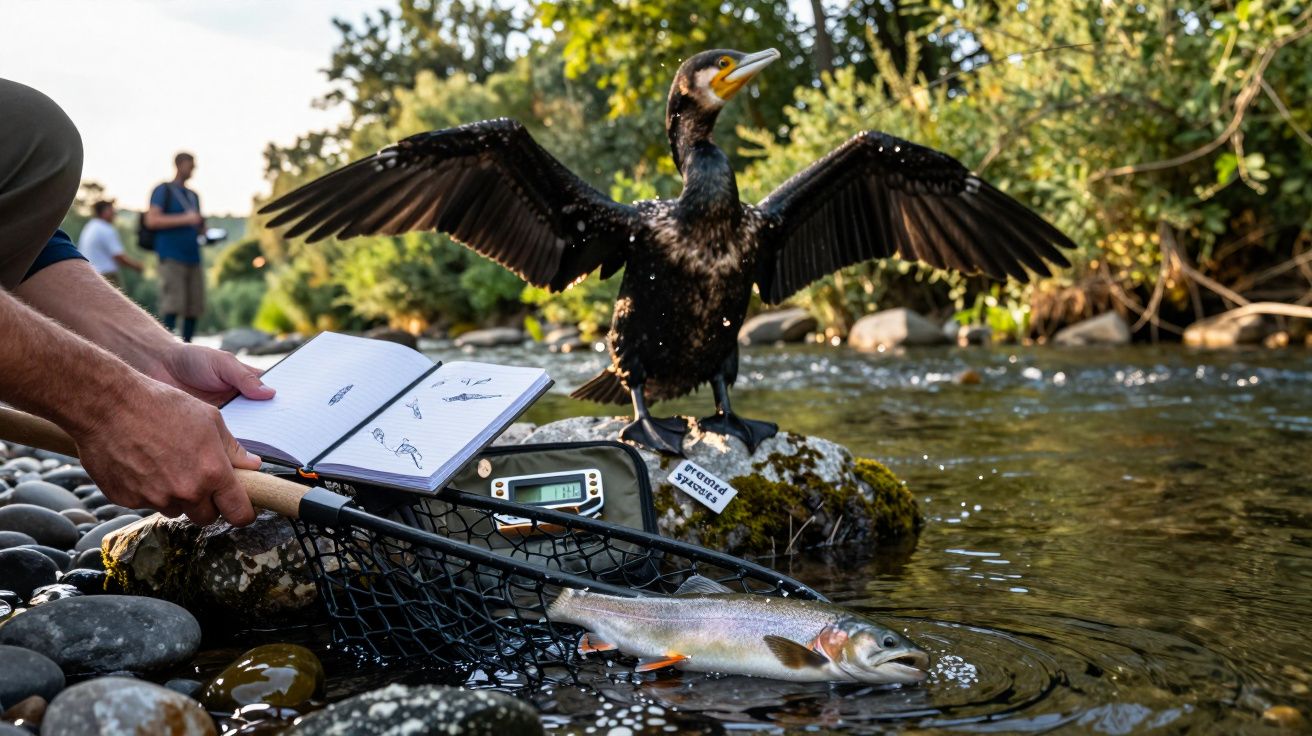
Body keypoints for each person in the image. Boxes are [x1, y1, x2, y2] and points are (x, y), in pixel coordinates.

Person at [0, 78, 272, 526]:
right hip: (170, 258)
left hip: (187, 260)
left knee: (32, 135)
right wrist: (113, 405)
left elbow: (26, 245)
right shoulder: (167, 193)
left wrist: (157, 359)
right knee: (35, 133)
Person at [146, 152, 206, 342]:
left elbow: (197, 225)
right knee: (172, 305)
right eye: (190, 165)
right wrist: (186, 219)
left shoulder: (194, 196)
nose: (193, 169)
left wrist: (203, 230)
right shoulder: (163, 190)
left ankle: (188, 348)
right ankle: (165, 349)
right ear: (179, 164)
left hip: (193, 256)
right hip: (171, 256)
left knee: (193, 306)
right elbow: (152, 220)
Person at [76, 199, 142, 287]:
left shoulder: (89, 226)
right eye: (112, 210)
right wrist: (136, 266)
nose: (115, 213)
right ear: (104, 212)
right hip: (107, 276)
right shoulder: (106, 229)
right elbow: (119, 257)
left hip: (89, 274)